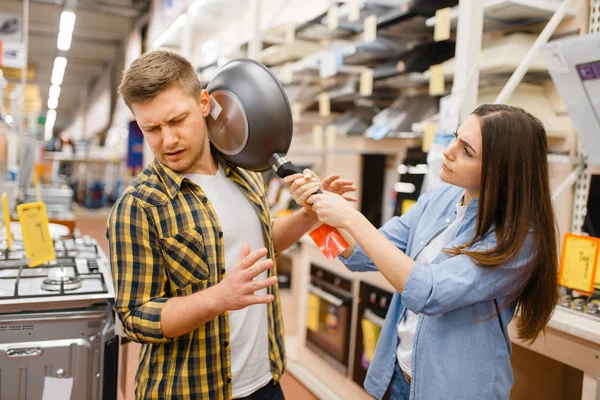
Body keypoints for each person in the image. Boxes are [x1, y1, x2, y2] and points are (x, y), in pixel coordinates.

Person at [107, 50, 356, 400]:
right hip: (190, 391)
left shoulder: (245, 172)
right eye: (152, 129)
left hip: (264, 381)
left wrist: (309, 216)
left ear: (205, 103)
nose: (168, 140)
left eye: (177, 120)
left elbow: (262, 243)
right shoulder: (139, 207)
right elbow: (135, 317)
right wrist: (218, 298)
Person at [285, 104, 559, 400]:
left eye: (467, 151)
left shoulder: (517, 238)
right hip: (399, 376)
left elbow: (429, 293)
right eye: (456, 138)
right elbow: (361, 256)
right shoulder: (440, 198)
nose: (448, 152)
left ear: (502, 171)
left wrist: (350, 217)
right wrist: (318, 210)